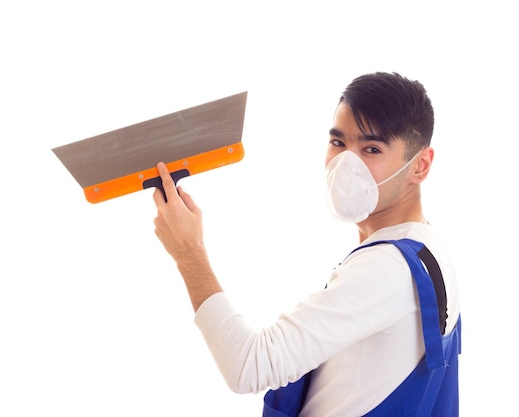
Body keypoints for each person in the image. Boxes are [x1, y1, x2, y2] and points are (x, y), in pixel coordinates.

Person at [152, 72, 461, 417]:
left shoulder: (386, 269)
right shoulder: (427, 247)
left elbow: (249, 366)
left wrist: (188, 252)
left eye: (371, 149)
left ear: (420, 165)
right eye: (339, 143)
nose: (347, 164)